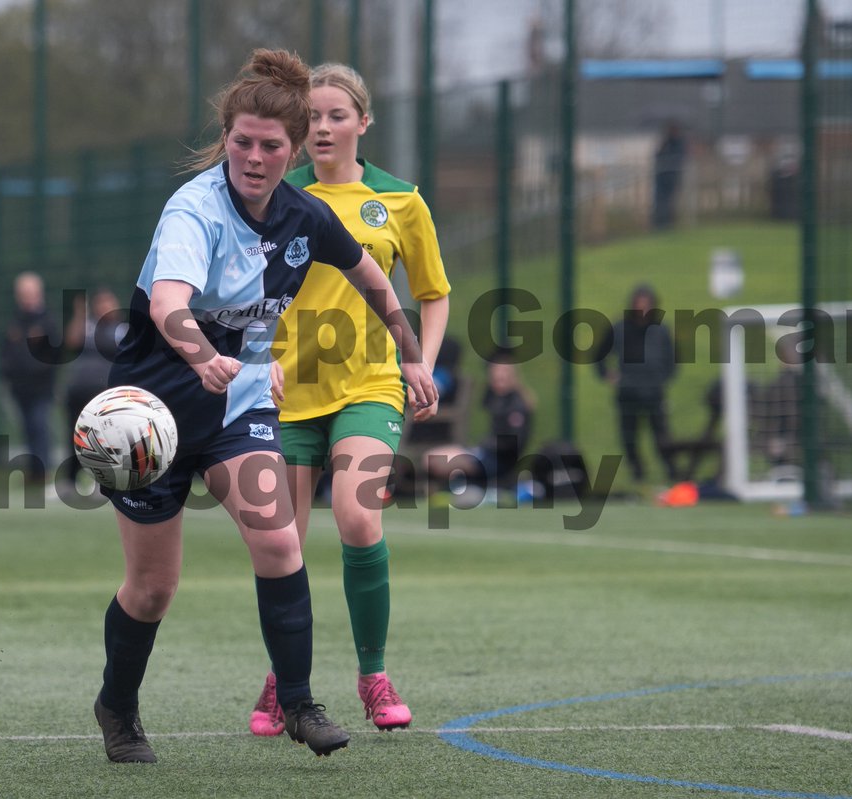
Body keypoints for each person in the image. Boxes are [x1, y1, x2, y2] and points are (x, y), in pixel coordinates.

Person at [92, 50, 437, 764]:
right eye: (242, 142)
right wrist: (201, 355)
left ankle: (299, 702)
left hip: (238, 407)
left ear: (293, 148)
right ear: (227, 139)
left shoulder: (305, 215)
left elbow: (372, 277)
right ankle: (117, 706)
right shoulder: (194, 209)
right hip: (151, 419)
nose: (254, 157)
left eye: (271, 146)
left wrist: (409, 352)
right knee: (153, 588)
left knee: (280, 544)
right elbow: (167, 302)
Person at [247, 62, 451, 737]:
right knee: (282, 542)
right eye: (313, 117)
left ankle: (373, 676)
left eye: (337, 115)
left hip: (369, 384)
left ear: (363, 121)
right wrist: (252, 358)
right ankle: (283, 681)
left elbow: (433, 293)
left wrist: (421, 362)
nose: (323, 127)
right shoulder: (274, 195)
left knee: (359, 519)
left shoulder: (400, 200)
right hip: (283, 392)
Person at [594, 283, 678, 484]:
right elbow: (599, 355)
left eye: (646, 304)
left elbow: (673, 359)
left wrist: (662, 378)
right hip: (628, 392)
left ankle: (672, 471)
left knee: (661, 434)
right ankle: (637, 472)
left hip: (653, 392)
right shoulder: (619, 328)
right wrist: (608, 375)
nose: (642, 308)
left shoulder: (661, 330)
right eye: (639, 303)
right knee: (629, 436)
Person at [420, 352, 534, 498]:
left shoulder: (516, 405)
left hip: (496, 461)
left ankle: (459, 488)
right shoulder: (495, 399)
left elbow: (512, 443)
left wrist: (480, 450)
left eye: (503, 376)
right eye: (495, 376)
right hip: (484, 454)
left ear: (512, 376)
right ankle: (453, 488)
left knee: (435, 461)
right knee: (431, 457)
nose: (498, 380)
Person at [0, 271, 62, 487]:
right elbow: (6, 352)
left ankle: (44, 471)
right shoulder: (15, 321)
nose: (27, 298)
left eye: (30, 293)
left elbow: (54, 355)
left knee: (39, 426)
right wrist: (8, 373)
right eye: (23, 294)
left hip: (41, 388)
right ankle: (34, 471)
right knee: (27, 430)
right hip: (19, 387)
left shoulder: (48, 322)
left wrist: (39, 370)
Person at [61, 286, 126, 492]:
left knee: (103, 438)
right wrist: (80, 314)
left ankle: (103, 483)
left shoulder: (121, 329)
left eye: (108, 302)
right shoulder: (87, 326)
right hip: (79, 391)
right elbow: (71, 342)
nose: (104, 307)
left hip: (105, 394)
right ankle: (70, 481)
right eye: (100, 303)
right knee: (76, 436)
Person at [651, 122, 686, 230]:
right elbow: (658, 156)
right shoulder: (665, 142)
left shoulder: (679, 143)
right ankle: (659, 224)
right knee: (660, 202)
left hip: (671, 178)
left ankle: (668, 223)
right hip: (661, 178)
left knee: (669, 202)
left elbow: (679, 158)